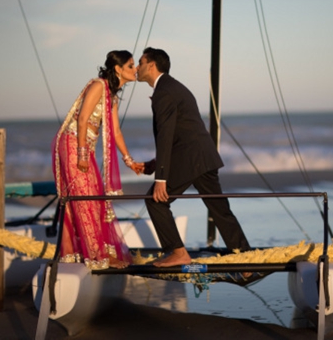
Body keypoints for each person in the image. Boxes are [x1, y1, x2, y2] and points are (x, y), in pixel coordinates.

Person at [136, 47, 251, 267]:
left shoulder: (165, 91)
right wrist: (155, 164)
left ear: (151, 65)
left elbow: (166, 135)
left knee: (155, 201)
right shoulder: (171, 87)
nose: (137, 68)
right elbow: (180, 132)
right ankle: (244, 258)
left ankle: (177, 252)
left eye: (140, 62)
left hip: (192, 159)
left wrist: (161, 178)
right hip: (201, 156)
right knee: (220, 209)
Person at [52, 50, 143, 270]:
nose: (136, 69)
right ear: (118, 69)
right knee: (86, 199)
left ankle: (89, 252)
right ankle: (96, 255)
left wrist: (129, 161)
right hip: (74, 143)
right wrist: (82, 153)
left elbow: (116, 132)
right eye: (131, 65)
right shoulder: (98, 86)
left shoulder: (111, 95)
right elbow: (82, 119)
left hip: (84, 147)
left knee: (94, 199)